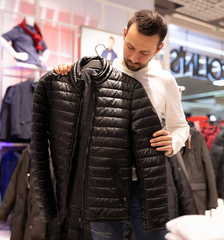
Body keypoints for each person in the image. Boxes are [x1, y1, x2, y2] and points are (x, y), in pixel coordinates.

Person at [53, 9, 190, 239]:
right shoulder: (97, 74)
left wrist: (173, 141)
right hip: (103, 182)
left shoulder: (164, 81)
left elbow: (181, 126)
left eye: (145, 52)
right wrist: (65, 76)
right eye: (130, 47)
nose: (135, 57)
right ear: (124, 34)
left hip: (147, 184)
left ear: (159, 48)